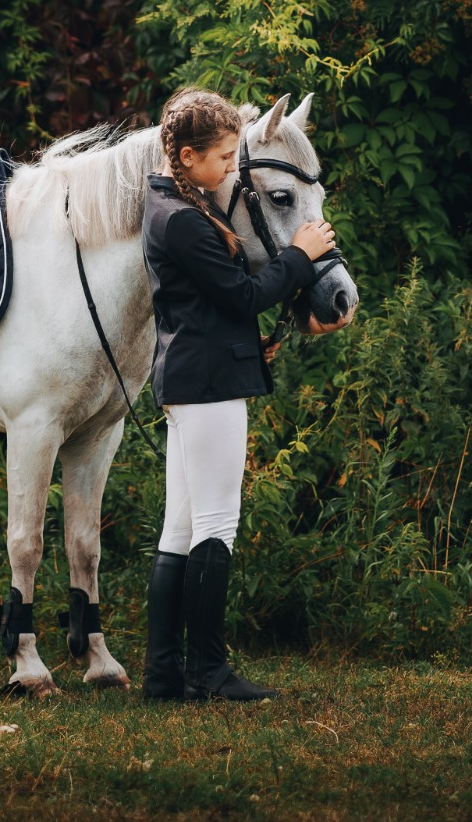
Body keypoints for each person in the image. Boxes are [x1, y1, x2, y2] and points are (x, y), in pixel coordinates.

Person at [140, 89, 337, 702]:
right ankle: (208, 672)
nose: (232, 166)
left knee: (180, 530)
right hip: (210, 385)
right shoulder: (184, 220)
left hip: (194, 376)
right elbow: (243, 296)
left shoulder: (172, 205)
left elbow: (210, 304)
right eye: (224, 157)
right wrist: (301, 256)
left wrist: (251, 344)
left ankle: (164, 674)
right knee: (216, 524)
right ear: (188, 156)